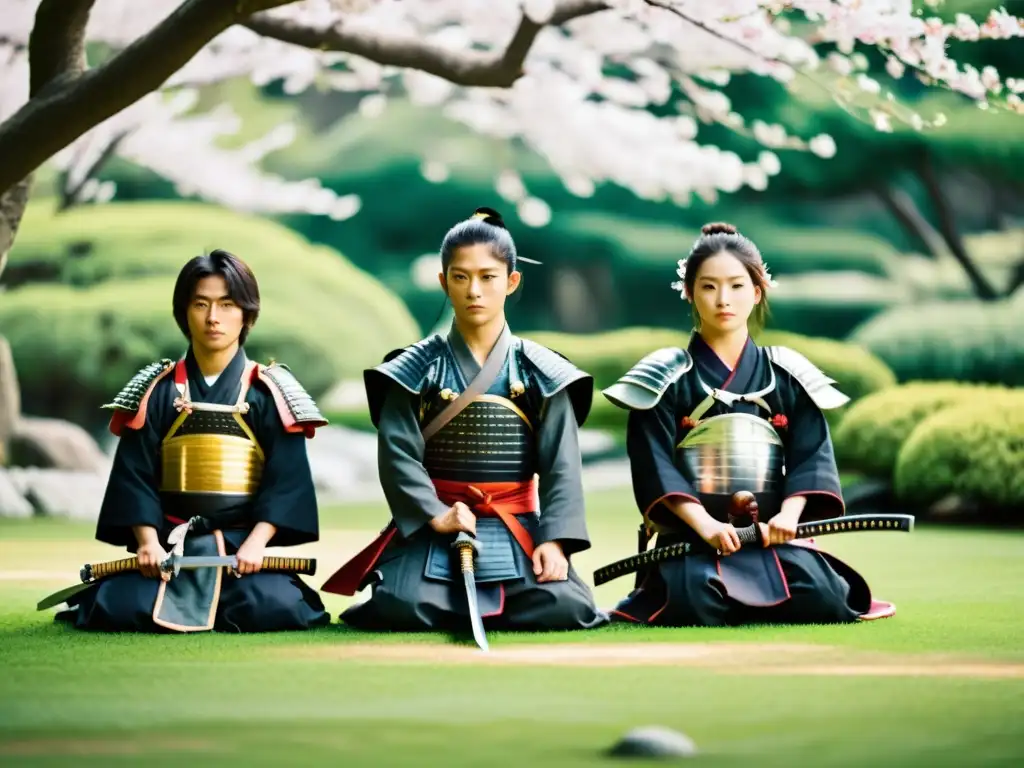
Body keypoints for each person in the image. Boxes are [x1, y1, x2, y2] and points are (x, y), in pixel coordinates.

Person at [322, 207, 607, 632]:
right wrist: (435, 514)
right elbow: (398, 454)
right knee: (403, 604)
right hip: (438, 521)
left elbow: (561, 466)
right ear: (444, 281)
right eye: (460, 277)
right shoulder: (413, 368)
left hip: (516, 524)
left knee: (564, 607)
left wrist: (554, 540)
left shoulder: (542, 372)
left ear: (511, 281)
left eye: (488, 277)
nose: (474, 290)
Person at [600, 222, 894, 627]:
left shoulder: (787, 373)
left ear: (756, 292)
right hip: (693, 539)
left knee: (824, 598)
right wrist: (706, 525)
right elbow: (654, 463)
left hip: (772, 535)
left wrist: (789, 516)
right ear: (689, 291)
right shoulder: (664, 376)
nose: (724, 299)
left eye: (737, 286)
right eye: (709, 286)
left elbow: (812, 454)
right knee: (692, 600)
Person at [58, 250, 331, 632]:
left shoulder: (269, 391)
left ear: (247, 314)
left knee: (276, 605)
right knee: (116, 605)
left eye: (227, 304)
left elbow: (287, 480)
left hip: (240, 549)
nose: (213, 318)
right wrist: (147, 543)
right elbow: (134, 475)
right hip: (171, 546)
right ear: (184, 312)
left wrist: (256, 544)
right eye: (201, 304)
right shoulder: (157, 389)